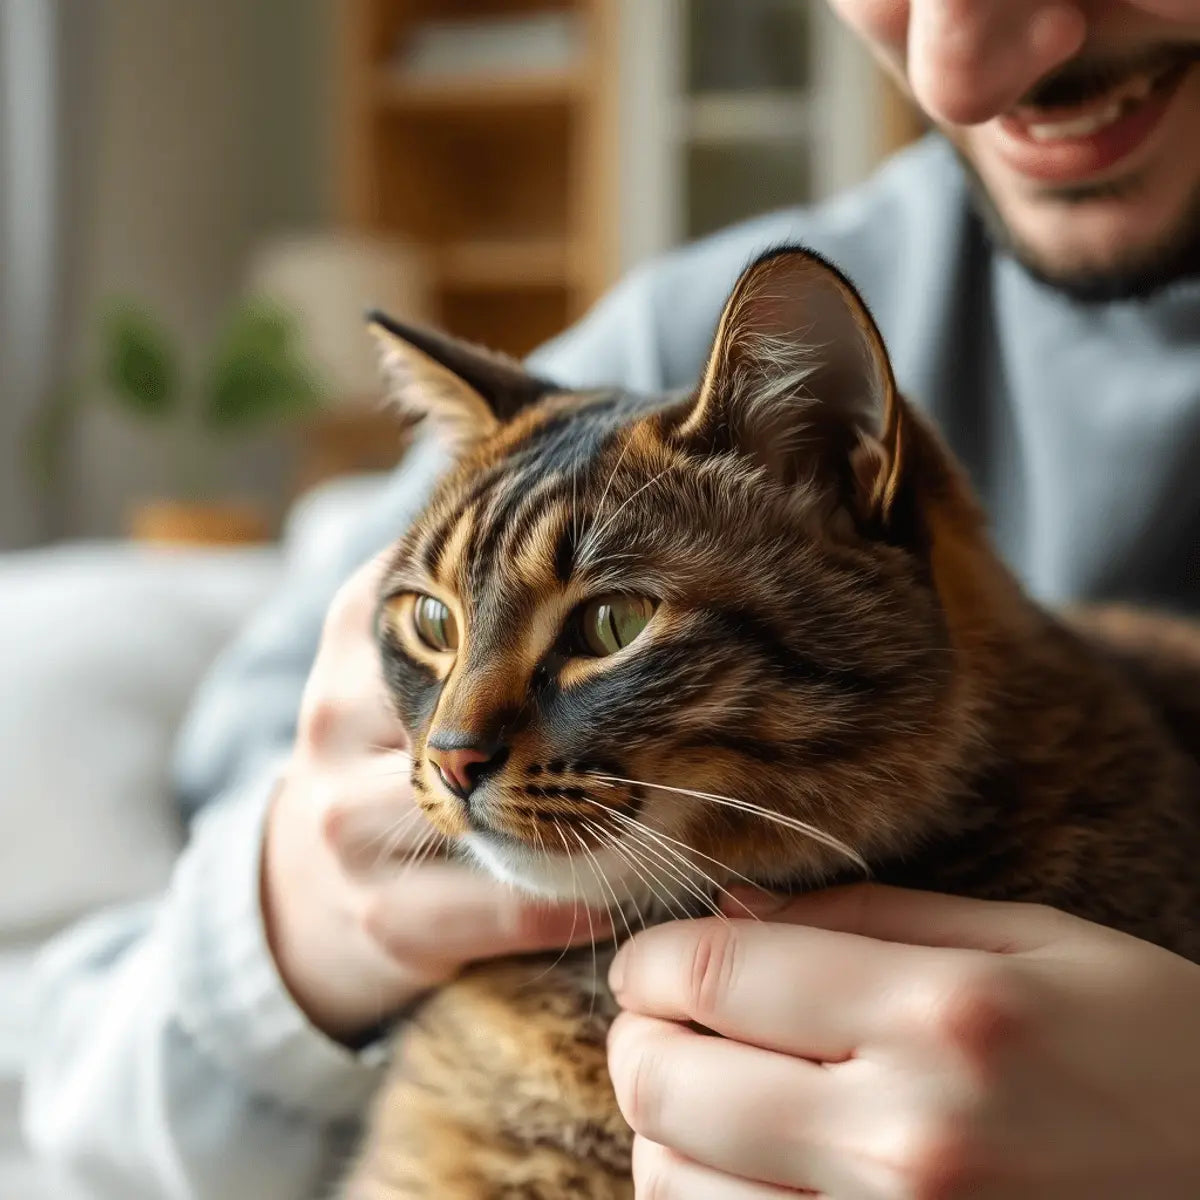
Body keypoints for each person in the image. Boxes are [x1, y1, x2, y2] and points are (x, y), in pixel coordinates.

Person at [22, 1, 1200, 1196]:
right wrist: (287, 926)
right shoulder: (656, 334)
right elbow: (73, 1070)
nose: (460, 744)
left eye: (606, 627)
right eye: (434, 629)